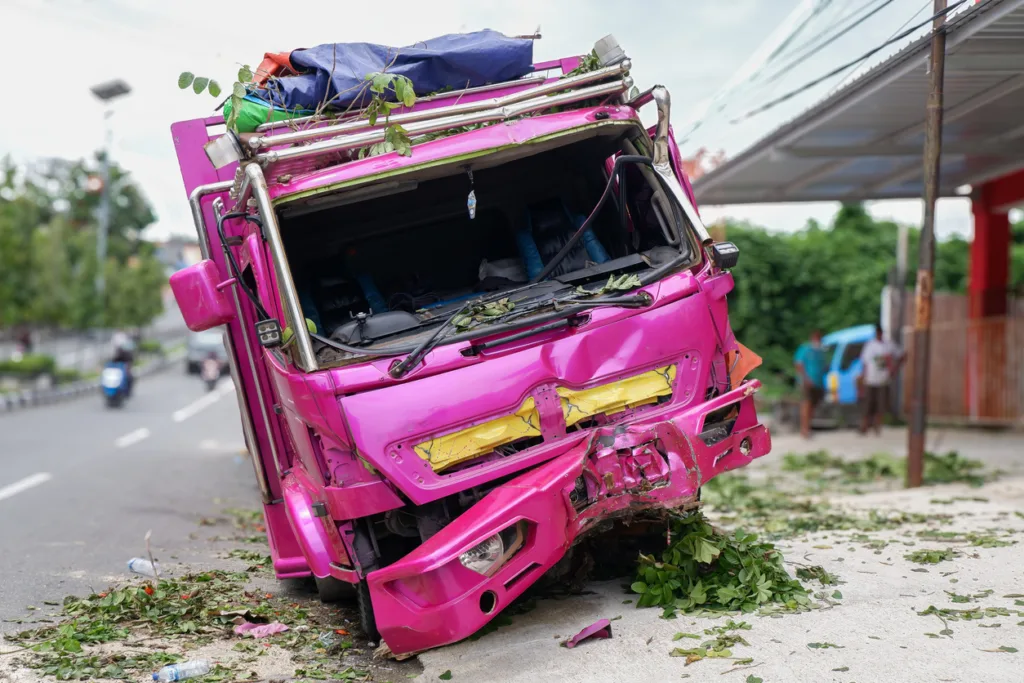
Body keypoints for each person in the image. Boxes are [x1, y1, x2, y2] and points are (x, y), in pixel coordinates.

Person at [858, 323, 903, 435]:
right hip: (870, 379)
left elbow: (902, 355)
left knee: (881, 405)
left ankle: (877, 427)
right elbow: (865, 363)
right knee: (868, 405)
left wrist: (894, 370)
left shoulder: (888, 345)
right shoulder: (870, 346)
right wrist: (863, 377)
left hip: (883, 379)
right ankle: (865, 426)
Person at [793, 329, 827, 439]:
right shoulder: (805, 349)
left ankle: (808, 426)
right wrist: (806, 379)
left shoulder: (821, 351)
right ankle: (805, 429)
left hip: (818, 383)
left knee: (813, 405)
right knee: (806, 404)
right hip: (806, 382)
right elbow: (798, 364)